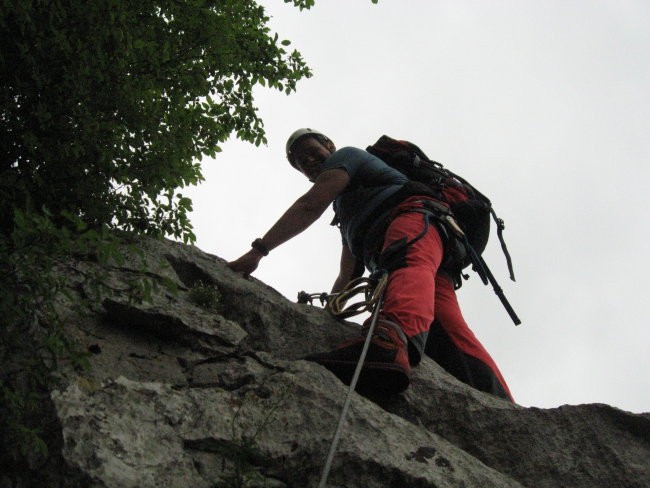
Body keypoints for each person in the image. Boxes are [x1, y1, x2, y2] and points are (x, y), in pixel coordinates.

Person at [228, 128, 513, 401]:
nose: (309, 161)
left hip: (414, 222)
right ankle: (501, 404)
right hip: (413, 255)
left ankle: (388, 346)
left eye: (312, 151)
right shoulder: (348, 210)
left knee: (406, 262)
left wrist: (258, 251)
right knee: (446, 331)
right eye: (302, 162)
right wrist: (329, 310)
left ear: (329, 145)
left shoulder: (348, 157)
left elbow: (310, 205)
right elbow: (348, 272)